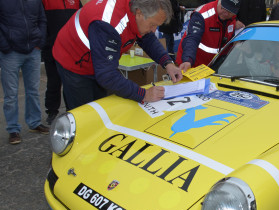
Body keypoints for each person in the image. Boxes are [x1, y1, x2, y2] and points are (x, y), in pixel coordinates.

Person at [53, 0, 183, 111]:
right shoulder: (109, 24)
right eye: (152, 25)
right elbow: (106, 75)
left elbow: (147, 39)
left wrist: (168, 63)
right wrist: (143, 94)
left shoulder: (140, 12)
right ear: (139, 13)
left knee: (102, 105)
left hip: (98, 59)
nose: (154, 30)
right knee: (84, 113)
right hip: (73, 60)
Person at [0, 1, 49, 145]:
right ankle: (13, 130)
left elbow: (42, 20)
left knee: (33, 90)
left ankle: (34, 123)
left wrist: (40, 42)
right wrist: (4, 46)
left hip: (33, 50)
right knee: (11, 94)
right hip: (10, 53)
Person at [42, 0, 82, 125]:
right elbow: (41, 22)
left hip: (71, 50)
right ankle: (52, 111)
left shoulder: (75, 1)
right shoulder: (46, 1)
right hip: (51, 49)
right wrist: (45, 43)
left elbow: (80, 18)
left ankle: (71, 110)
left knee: (70, 82)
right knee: (53, 82)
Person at [176, 0, 240, 72]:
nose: (226, 14)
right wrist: (188, 59)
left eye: (230, 11)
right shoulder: (201, 14)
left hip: (212, 65)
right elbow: (192, 39)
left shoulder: (233, 18)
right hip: (192, 64)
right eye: (224, 8)